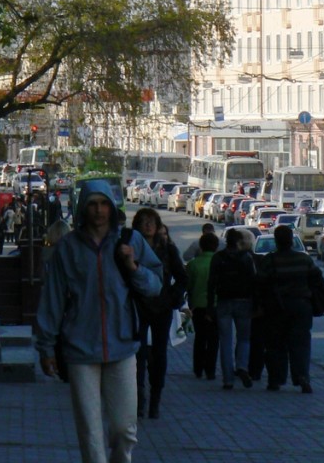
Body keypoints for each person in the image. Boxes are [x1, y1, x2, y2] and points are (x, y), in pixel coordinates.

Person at [36, 179, 162, 463]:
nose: (98, 210)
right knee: (90, 432)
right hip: (80, 349)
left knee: (124, 429)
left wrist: (134, 266)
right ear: (83, 208)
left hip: (122, 346)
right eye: (92, 204)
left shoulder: (130, 241)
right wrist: (46, 347)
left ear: (112, 206)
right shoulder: (68, 248)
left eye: (104, 203)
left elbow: (156, 286)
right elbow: (53, 298)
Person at [130, 208, 188, 419]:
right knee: (138, 354)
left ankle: (155, 398)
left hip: (161, 307)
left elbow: (182, 277)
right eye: (144, 221)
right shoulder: (131, 249)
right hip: (138, 306)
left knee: (159, 354)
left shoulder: (168, 250)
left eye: (151, 221)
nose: (148, 225)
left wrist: (172, 297)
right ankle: (138, 399)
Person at [256, 225, 324, 394]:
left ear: (276, 241)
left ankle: (275, 380)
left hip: (276, 308)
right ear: (291, 240)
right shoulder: (304, 259)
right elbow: (318, 280)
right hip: (301, 307)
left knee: (275, 344)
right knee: (300, 343)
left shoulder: (269, 261)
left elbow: (259, 285)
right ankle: (302, 376)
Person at [207, 227, 256, 390]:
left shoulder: (218, 258)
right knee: (244, 338)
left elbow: (211, 283)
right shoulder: (246, 258)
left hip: (224, 301)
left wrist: (209, 306)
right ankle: (242, 366)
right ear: (239, 241)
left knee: (225, 341)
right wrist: (255, 303)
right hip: (244, 301)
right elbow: (253, 281)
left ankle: (228, 379)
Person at [184, 232, 219, 380]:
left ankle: (198, 368)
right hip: (216, 306)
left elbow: (188, 286)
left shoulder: (193, 264)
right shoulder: (219, 262)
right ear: (216, 246)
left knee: (200, 338)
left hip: (197, 305)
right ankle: (210, 370)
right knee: (213, 339)